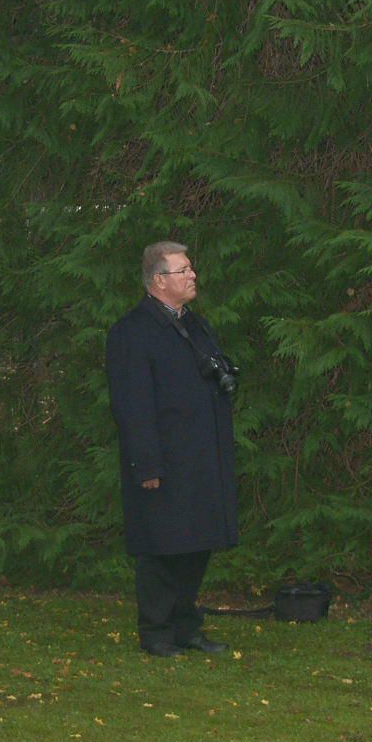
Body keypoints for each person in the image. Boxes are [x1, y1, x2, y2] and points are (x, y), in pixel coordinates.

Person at [105, 241, 240, 657]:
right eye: (183, 271)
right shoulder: (132, 332)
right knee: (161, 548)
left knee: (196, 545)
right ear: (159, 280)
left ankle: (186, 626)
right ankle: (157, 631)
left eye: (190, 268)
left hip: (200, 458)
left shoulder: (195, 326)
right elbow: (132, 405)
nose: (192, 276)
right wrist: (146, 463)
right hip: (162, 461)